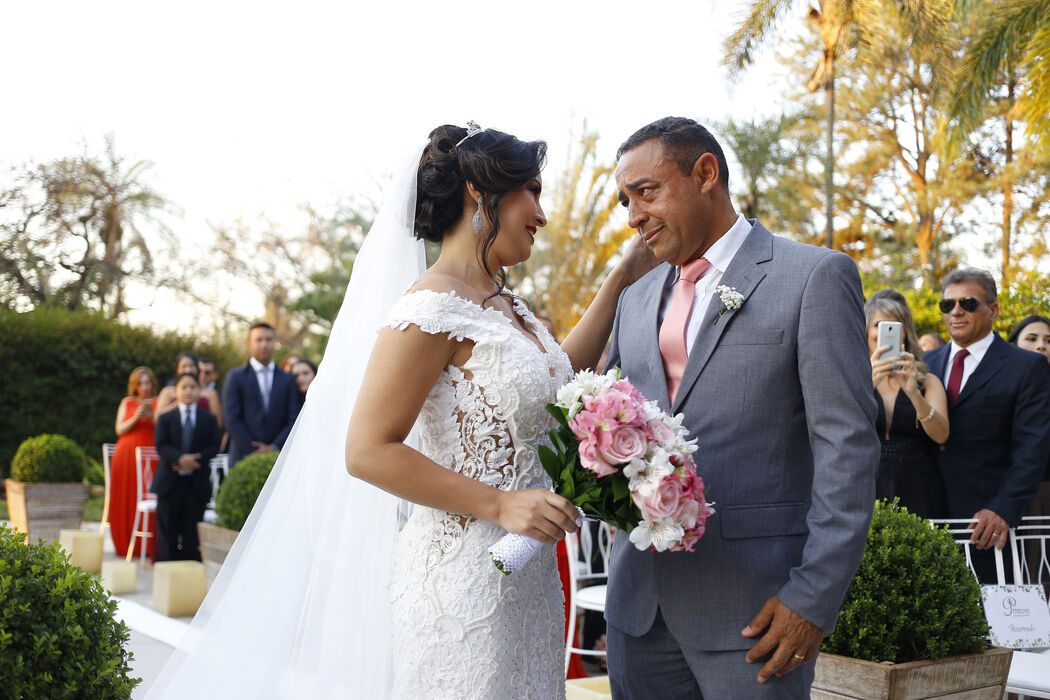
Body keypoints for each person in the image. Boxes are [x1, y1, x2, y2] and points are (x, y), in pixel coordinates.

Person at [145, 124, 653, 698]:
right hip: (460, 584)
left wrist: (621, 276)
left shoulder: (507, 304)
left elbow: (559, 375)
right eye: (530, 191)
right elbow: (366, 450)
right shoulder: (428, 307)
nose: (541, 213)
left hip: (529, 582)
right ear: (476, 192)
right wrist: (500, 503)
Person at [604, 117, 880, 698]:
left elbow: (847, 449)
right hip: (638, 613)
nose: (633, 216)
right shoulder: (634, 299)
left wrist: (813, 598)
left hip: (757, 617)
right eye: (626, 200)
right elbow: (605, 425)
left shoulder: (813, 277)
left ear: (705, 172)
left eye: (646, 192)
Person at [924, 269, 1050, 582]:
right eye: (947, 304)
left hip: (987, 524)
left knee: (991, 624)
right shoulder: (926, 363)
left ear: (993, 310)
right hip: (926, 514)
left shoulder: (1025, 367)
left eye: (967, 303)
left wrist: (1004, 509)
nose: (956, 311)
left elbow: (1032, 447)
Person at [866, 293, 949, 516]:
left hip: (919, 486)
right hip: (865, 483)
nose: (886, 331)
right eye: (879, 325)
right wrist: (867, 383)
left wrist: (914, 394)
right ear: (865, 330)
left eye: (895, 325)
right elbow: (841, 427)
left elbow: (941, 435)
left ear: (905, 332)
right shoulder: (851, 378)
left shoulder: (927, 381)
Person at [152, 373, 221, 561]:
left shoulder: (209, 419)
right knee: (168, 530)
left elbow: (214, 445)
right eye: (184, 387)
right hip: (169, 482)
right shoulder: (166, 417)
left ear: (200, 391)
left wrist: (196, 460)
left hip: (196, 483)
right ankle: (167, 569)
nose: (188, 391)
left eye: (193, 387)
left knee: (192, 531)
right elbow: (161, 444)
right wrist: (180, 458)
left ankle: (189, 570)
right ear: (175, 391)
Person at [222, 323, 302, 468]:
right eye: (259, 340)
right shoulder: (235, 376)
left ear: (275, 343)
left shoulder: (287, 379)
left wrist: (275, 446)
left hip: (279, 457)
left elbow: (294, 417)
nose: (264, 344)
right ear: (249, 344)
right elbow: (230, 417)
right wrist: (253, 448)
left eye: (269, 339)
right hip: (243, 455)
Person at [1007, 314, 1050, 582]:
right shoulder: (1004, 386)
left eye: (1048, 340)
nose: (1041, 346)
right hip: (1016, 495)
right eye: (1031, 339)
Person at [109, 366, 158, 558]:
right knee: (125, 495)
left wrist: (150, 417)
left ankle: (149, 545)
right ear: (134, 386)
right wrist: (136, 417)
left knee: (148, 494)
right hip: (126, 456)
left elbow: (163, 426)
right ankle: (125, 543)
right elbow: (119, 429)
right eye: (140, 383)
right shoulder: (127, 402)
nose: (145, 386)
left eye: (148, 382)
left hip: (151, 457)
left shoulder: (158, 402)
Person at [154, 352, 223, 428]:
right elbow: (157, 419)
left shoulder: (210, 392)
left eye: (191, 366)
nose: (188, 370)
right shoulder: (167, 391)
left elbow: (218, 423)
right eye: (184, 366)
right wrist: (180, 402)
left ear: (197, 368)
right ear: (177, 369)